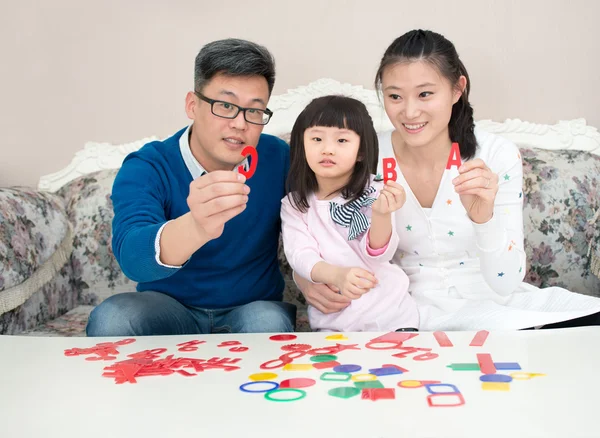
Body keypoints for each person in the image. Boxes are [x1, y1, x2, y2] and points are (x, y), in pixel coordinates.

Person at [296, 29, 600, 330]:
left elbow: (506, 283)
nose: (409, 112)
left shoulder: (495, 154)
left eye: (425, 94)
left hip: (497, 302)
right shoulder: (366, 153)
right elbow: (317, 220)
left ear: (457, 89)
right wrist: (305, 279)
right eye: (394, 96)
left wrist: (484, 220)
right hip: (404, 310)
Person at [86, 38, 296, 336]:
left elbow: (323, 213)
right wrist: (196, 226)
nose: (240, 123)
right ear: (192, 105)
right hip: (168, 307)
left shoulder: (279, 158)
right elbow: (133, 259)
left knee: (267, 322)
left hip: (253, 306)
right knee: (113, 319)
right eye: (225, 105)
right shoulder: (148, 165)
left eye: (254, 111)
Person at [281, 95, 419, 332]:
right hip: (334, 322)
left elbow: (378, 255)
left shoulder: (376, 190)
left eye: (342, 140)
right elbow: (300, 256)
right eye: (316, 138)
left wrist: (381, 214)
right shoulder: (295, 205)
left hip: (391, 315)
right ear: (301, 146)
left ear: (361, 152)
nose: (327, 149)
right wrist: (336, 275)